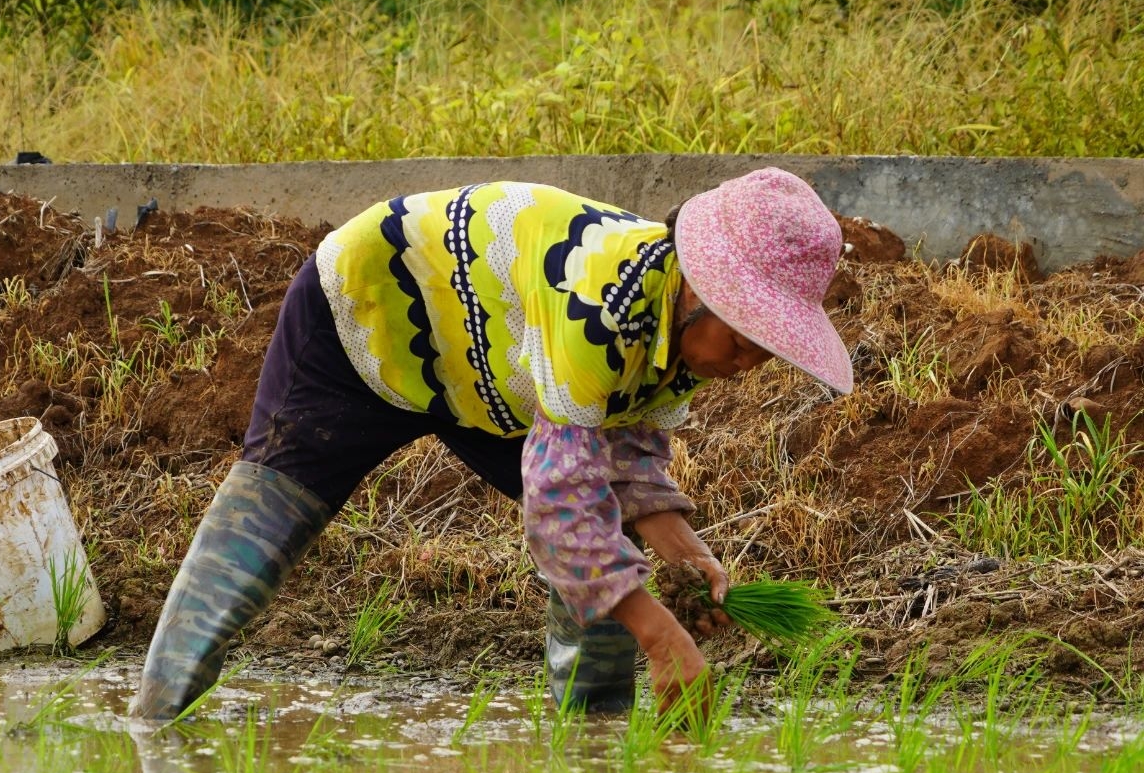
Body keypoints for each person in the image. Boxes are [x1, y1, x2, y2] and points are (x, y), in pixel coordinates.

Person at [130, 167, 854, 721]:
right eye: (742, 336)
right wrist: (661, 637)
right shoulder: (599, 305)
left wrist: (687, 555)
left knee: (605, 536)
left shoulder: (685, 339)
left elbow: (625, 467)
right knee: (263, 531)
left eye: (767, 349)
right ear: (699, 288)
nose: (746, 363)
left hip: (490, 377)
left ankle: (593, 746)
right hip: (365, 324)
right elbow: (560, 506)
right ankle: (154, 723)